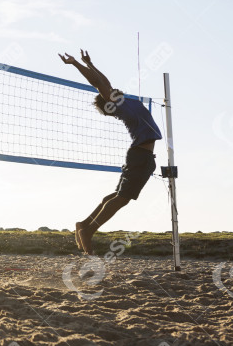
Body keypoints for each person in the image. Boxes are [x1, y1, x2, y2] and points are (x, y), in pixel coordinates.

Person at [59, 50, 162, 255]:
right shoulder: (119, 105)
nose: (111, 89)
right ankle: (89, 231)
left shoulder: (123, 102)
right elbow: (98, 83)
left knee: (117, 195)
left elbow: (103, 80)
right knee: (122, 198)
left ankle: (84, 224)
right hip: (139, 156)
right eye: (108, 92)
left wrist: (90, 62)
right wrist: (76, 65)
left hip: (141, 156)